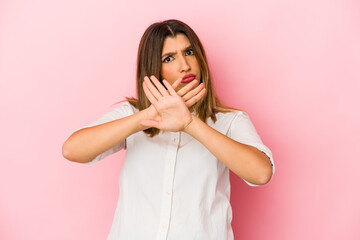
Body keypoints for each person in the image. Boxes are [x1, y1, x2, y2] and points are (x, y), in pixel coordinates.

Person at [62, 19, 275, 240]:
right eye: (169, 58)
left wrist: (190, 124)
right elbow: (72, 150)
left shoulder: (230, 120)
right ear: (154, 68)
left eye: (189, 52)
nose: (185, 65)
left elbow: (261, 173)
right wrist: (147, 116)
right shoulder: (132, 115)